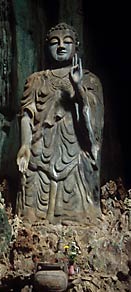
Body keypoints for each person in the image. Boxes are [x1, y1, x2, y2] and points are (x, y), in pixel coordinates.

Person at [16, 23, 104, 224]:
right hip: (40, 147)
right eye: (55, 43)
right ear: (46, 47)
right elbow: (27, 114)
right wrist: (24, 144)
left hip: (74, 150)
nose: (61, 46)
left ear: (76, 46)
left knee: (75, 208)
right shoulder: (36, 80)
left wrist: (78, 87)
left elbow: (92, 114)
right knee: (32, 202)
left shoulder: (89, 80)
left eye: (67, 42)